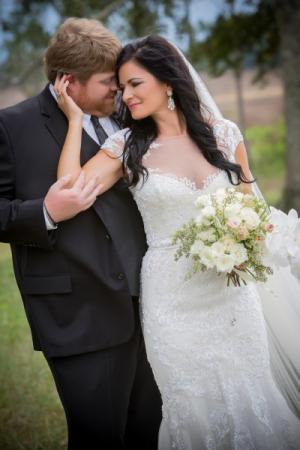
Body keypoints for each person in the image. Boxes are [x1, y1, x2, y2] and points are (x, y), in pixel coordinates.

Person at [56, 35, 300, 449]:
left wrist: (247, 242)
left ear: (168, 81)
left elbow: (252, 209)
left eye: (135, 84)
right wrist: (74, 120)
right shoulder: (127, 146)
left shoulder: (223, 134)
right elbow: (68, 190)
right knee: (191, 405)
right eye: (121, 86)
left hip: (231, 292)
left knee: (250, 393)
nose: (125, 95)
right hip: (171, 296)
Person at [0, 19, 162, 450]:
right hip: (78, 314)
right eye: (110, 83)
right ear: (69, 83)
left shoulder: (132, 112)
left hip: (153, 309)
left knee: (150, 432)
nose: (120, 93)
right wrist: (47, 211)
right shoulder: (11, 127)